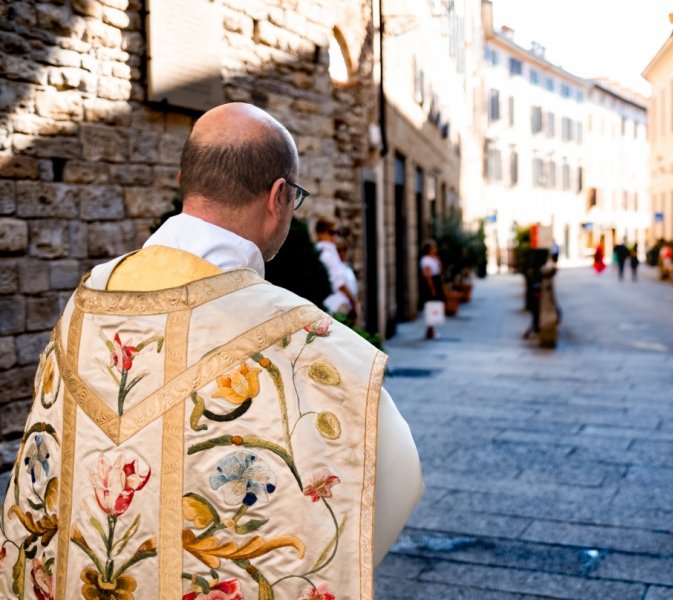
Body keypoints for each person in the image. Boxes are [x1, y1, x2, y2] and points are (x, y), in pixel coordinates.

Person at [0, 103, 424, 599]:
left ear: (185, 178)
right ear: (279, 197)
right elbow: (398, 475)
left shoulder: (85, 300)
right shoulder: (304, 340)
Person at [315, 217, 360, 319]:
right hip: (336, 306)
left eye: (336, 232)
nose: (334, 236)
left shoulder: (322, 251)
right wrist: (353, 302)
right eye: (331, 232)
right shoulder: (327, 254)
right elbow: (338, 282)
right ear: (320, 233)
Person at [419, 239, 446, 340]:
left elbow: (440, 270)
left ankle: (431, 330)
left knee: (435, 307)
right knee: (431, 307)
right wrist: (432, 289)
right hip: (431, 285)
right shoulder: (426, 260)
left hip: (436, 283)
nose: (435, 249)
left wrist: (437, 260)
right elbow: (427, 275)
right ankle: (430, 331)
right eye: (434, 247)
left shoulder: (433, 258)